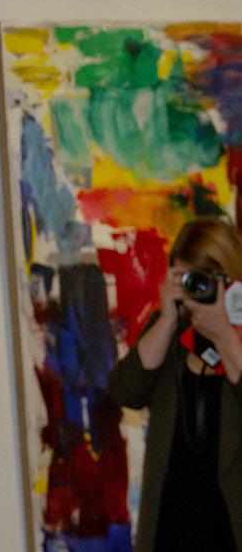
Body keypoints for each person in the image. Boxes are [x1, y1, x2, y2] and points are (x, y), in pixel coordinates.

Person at [110, 217, 242, 551]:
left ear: (230, 280)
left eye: (205, 278)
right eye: (187, 279)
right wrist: (168, 319)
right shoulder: (171, 333)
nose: (197, 289)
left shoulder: (237, 340)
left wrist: (225, 336)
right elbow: (125, 391)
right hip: (169, 532)